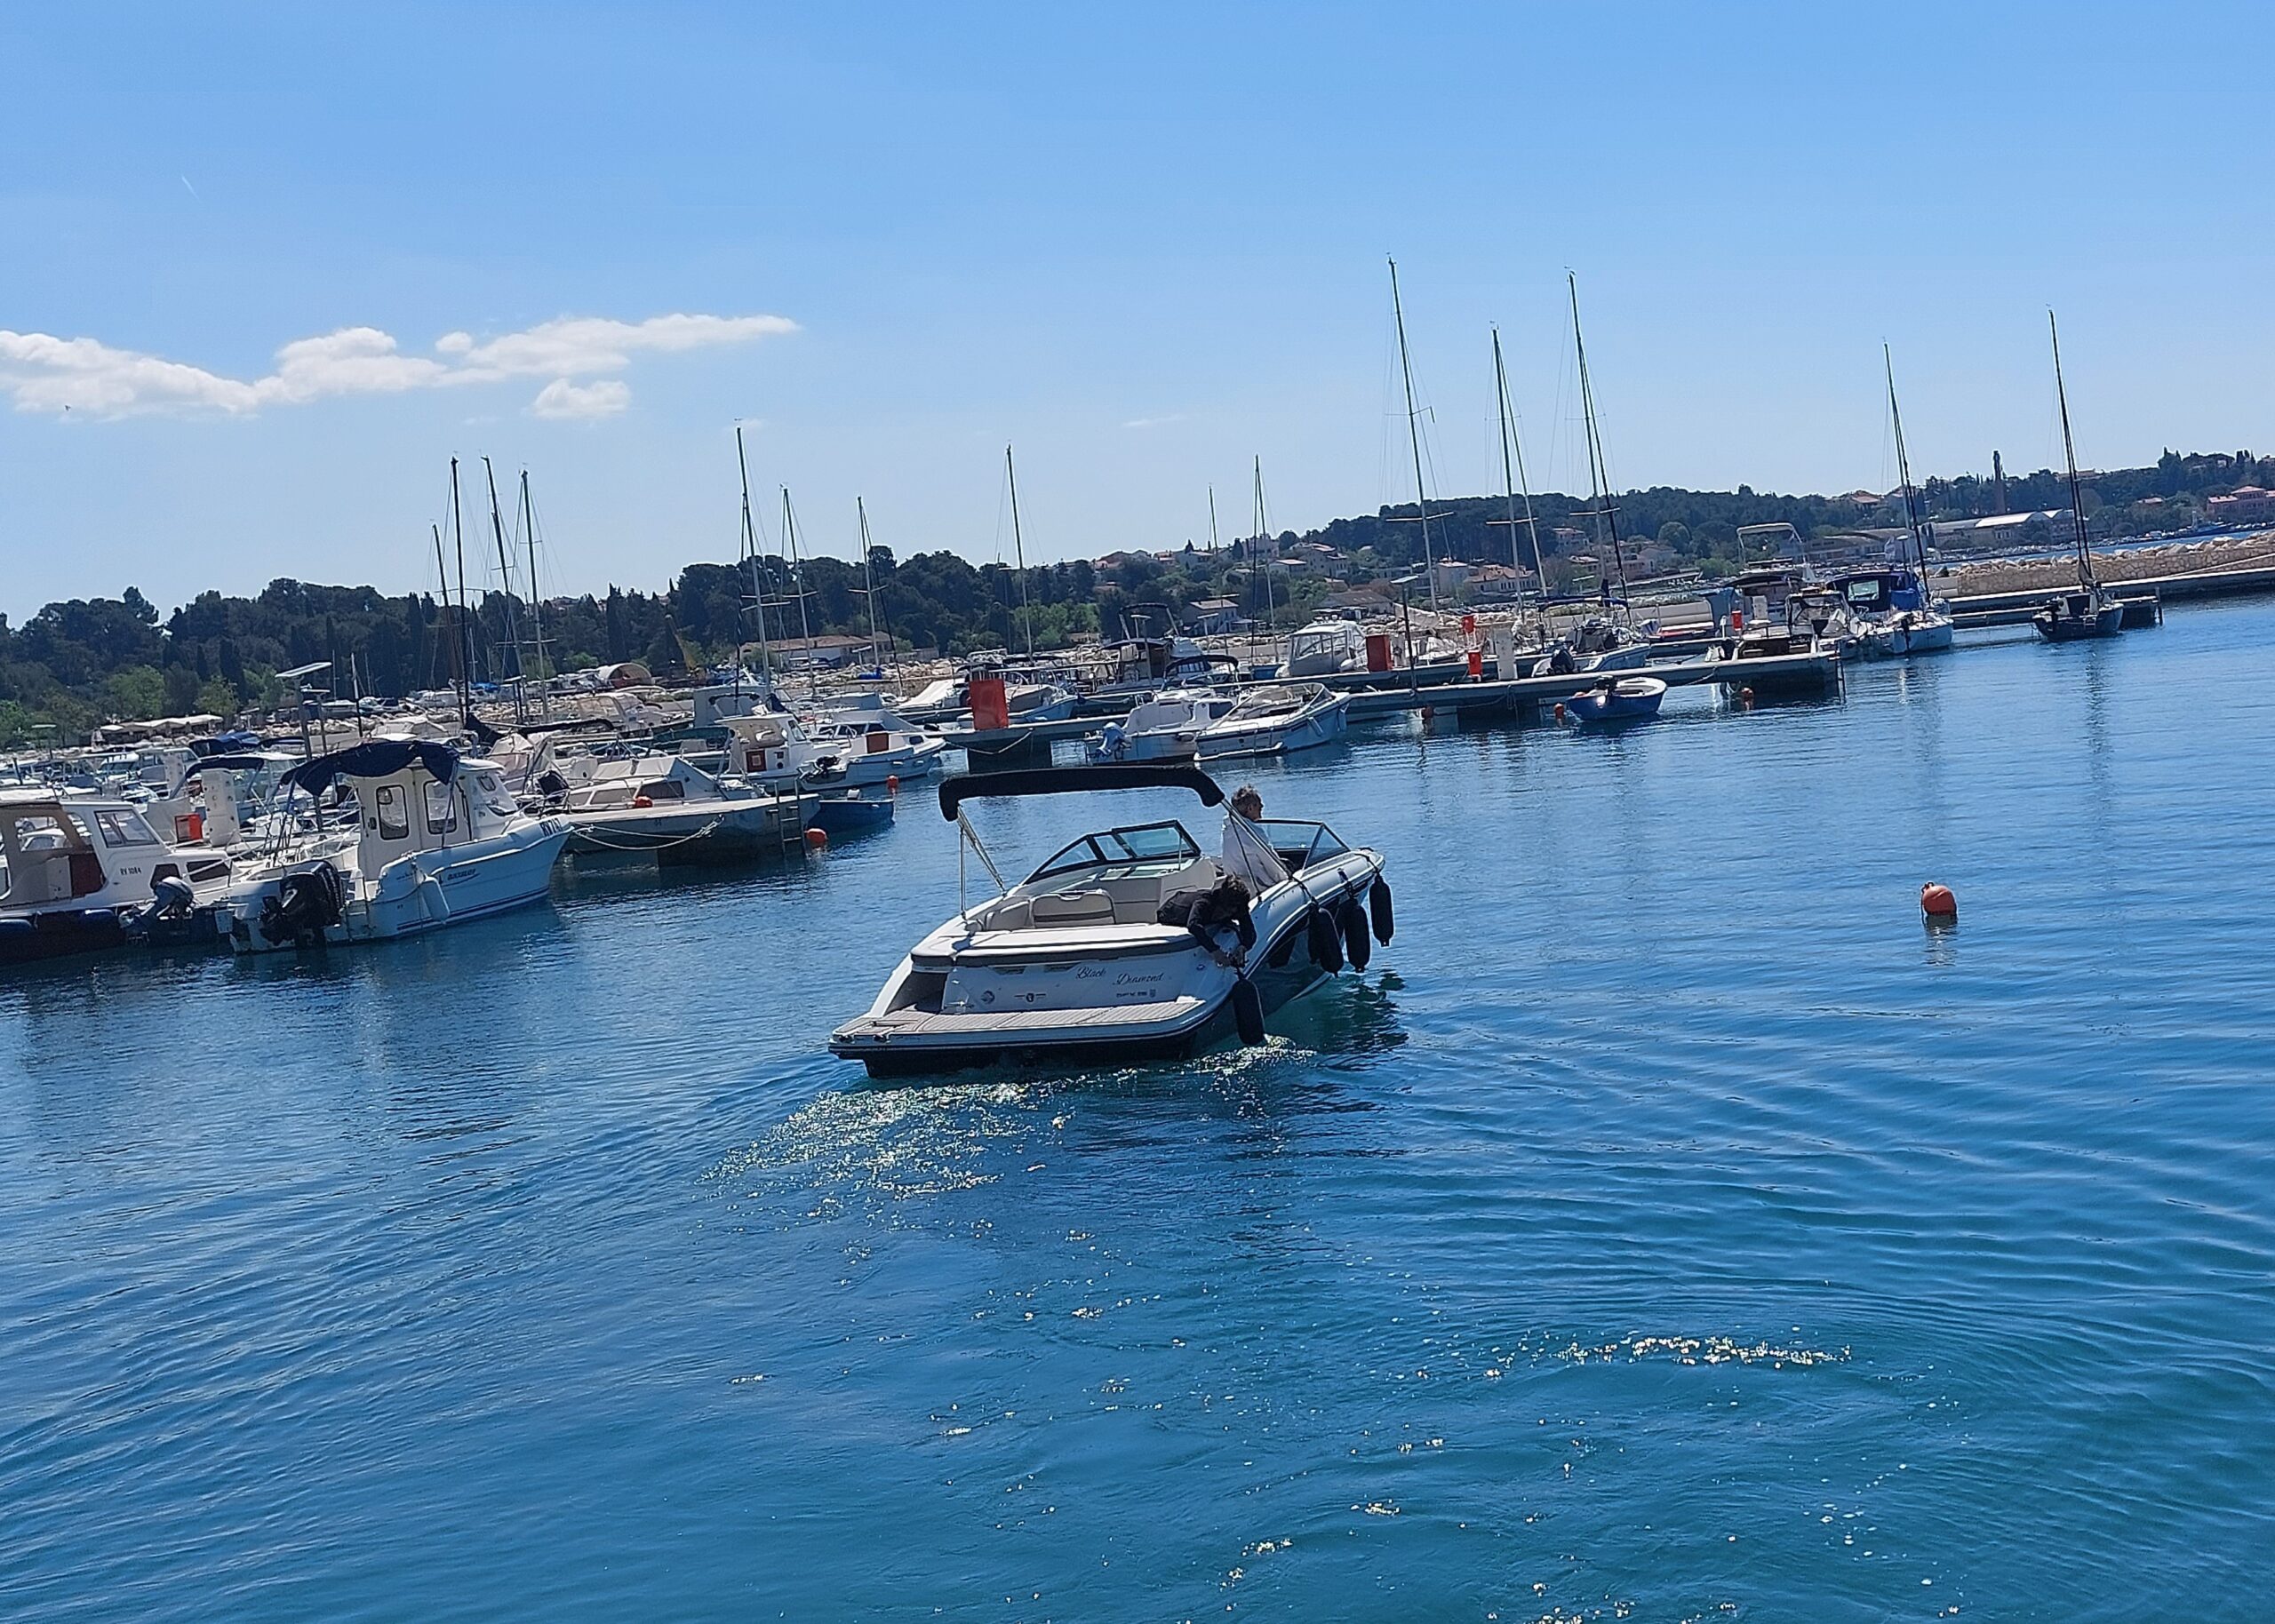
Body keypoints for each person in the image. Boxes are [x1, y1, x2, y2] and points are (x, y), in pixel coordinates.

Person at [1219, 784, 1287, 893]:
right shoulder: (1253, 834)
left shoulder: (1228, 829)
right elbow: (1273, 864)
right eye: (1259, 804)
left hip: (1236, 887)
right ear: (1250, 808)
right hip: (1260, 888)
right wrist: (1287, 879)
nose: (1262, 806)